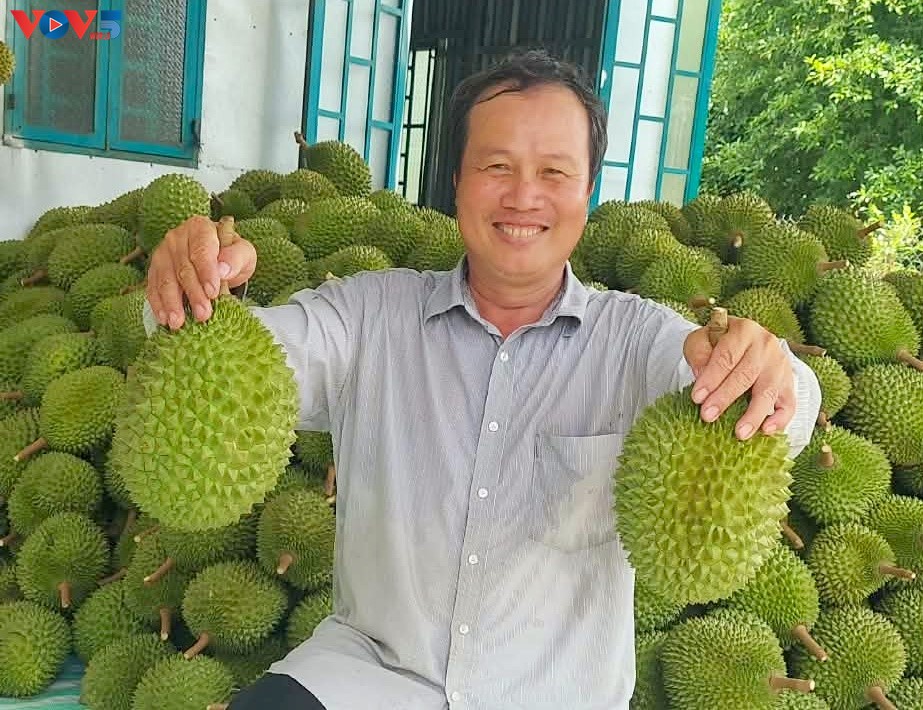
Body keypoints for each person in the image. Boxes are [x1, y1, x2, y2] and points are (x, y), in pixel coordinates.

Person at [145, 50, 820, 710]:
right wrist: (193, 291)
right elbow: (247, 363)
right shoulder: (367, 316)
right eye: (496, 166)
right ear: (457, 182)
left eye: (553, 171)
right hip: (369, 679)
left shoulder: (637, 341)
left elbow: (777, 416)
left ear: (587, 192)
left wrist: (763, 369)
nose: (523, 195)